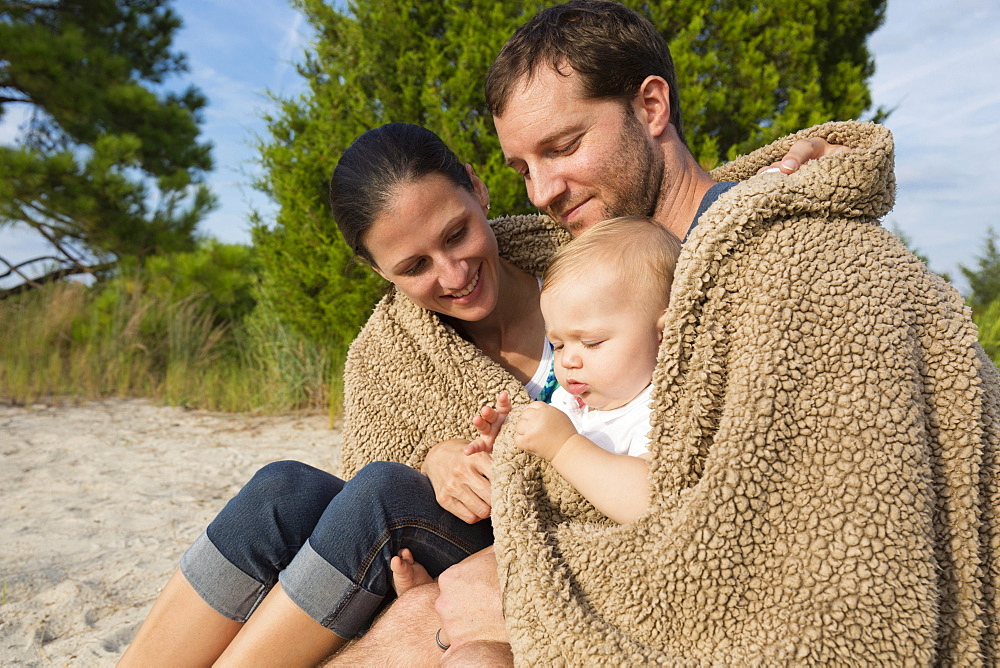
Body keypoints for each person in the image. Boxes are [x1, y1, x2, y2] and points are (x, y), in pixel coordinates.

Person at [333, 1, 999, 665]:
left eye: (563, 147)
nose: (539, 192)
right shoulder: (656, 270)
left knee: (434, 622)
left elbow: (824, 561)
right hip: (587, 566)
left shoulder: (802, 265)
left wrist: (518, 590)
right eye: (522, 169)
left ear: (652, 107)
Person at [469, 216, 680, 525]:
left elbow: (651, 502)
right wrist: (509, 437)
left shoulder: (657, 409)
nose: (568, 361)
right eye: (557, 345)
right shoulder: (571, 400)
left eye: (591, 343)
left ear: (663, 333)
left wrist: (563, 446)